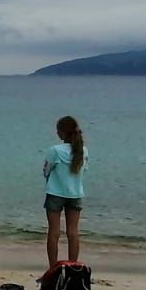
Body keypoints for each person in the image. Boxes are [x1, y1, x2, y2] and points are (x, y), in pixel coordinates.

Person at [43, 115, 88, 268]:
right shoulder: (83, 151)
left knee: (54, 232)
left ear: (63, 132)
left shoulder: (55, 150)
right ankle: (73, 266)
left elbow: (46, 170)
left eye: (58, 131)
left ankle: (53, 268)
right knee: (73, 232)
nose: (57, 133)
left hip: (55, 193)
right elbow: (84, 170)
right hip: (75, 194)